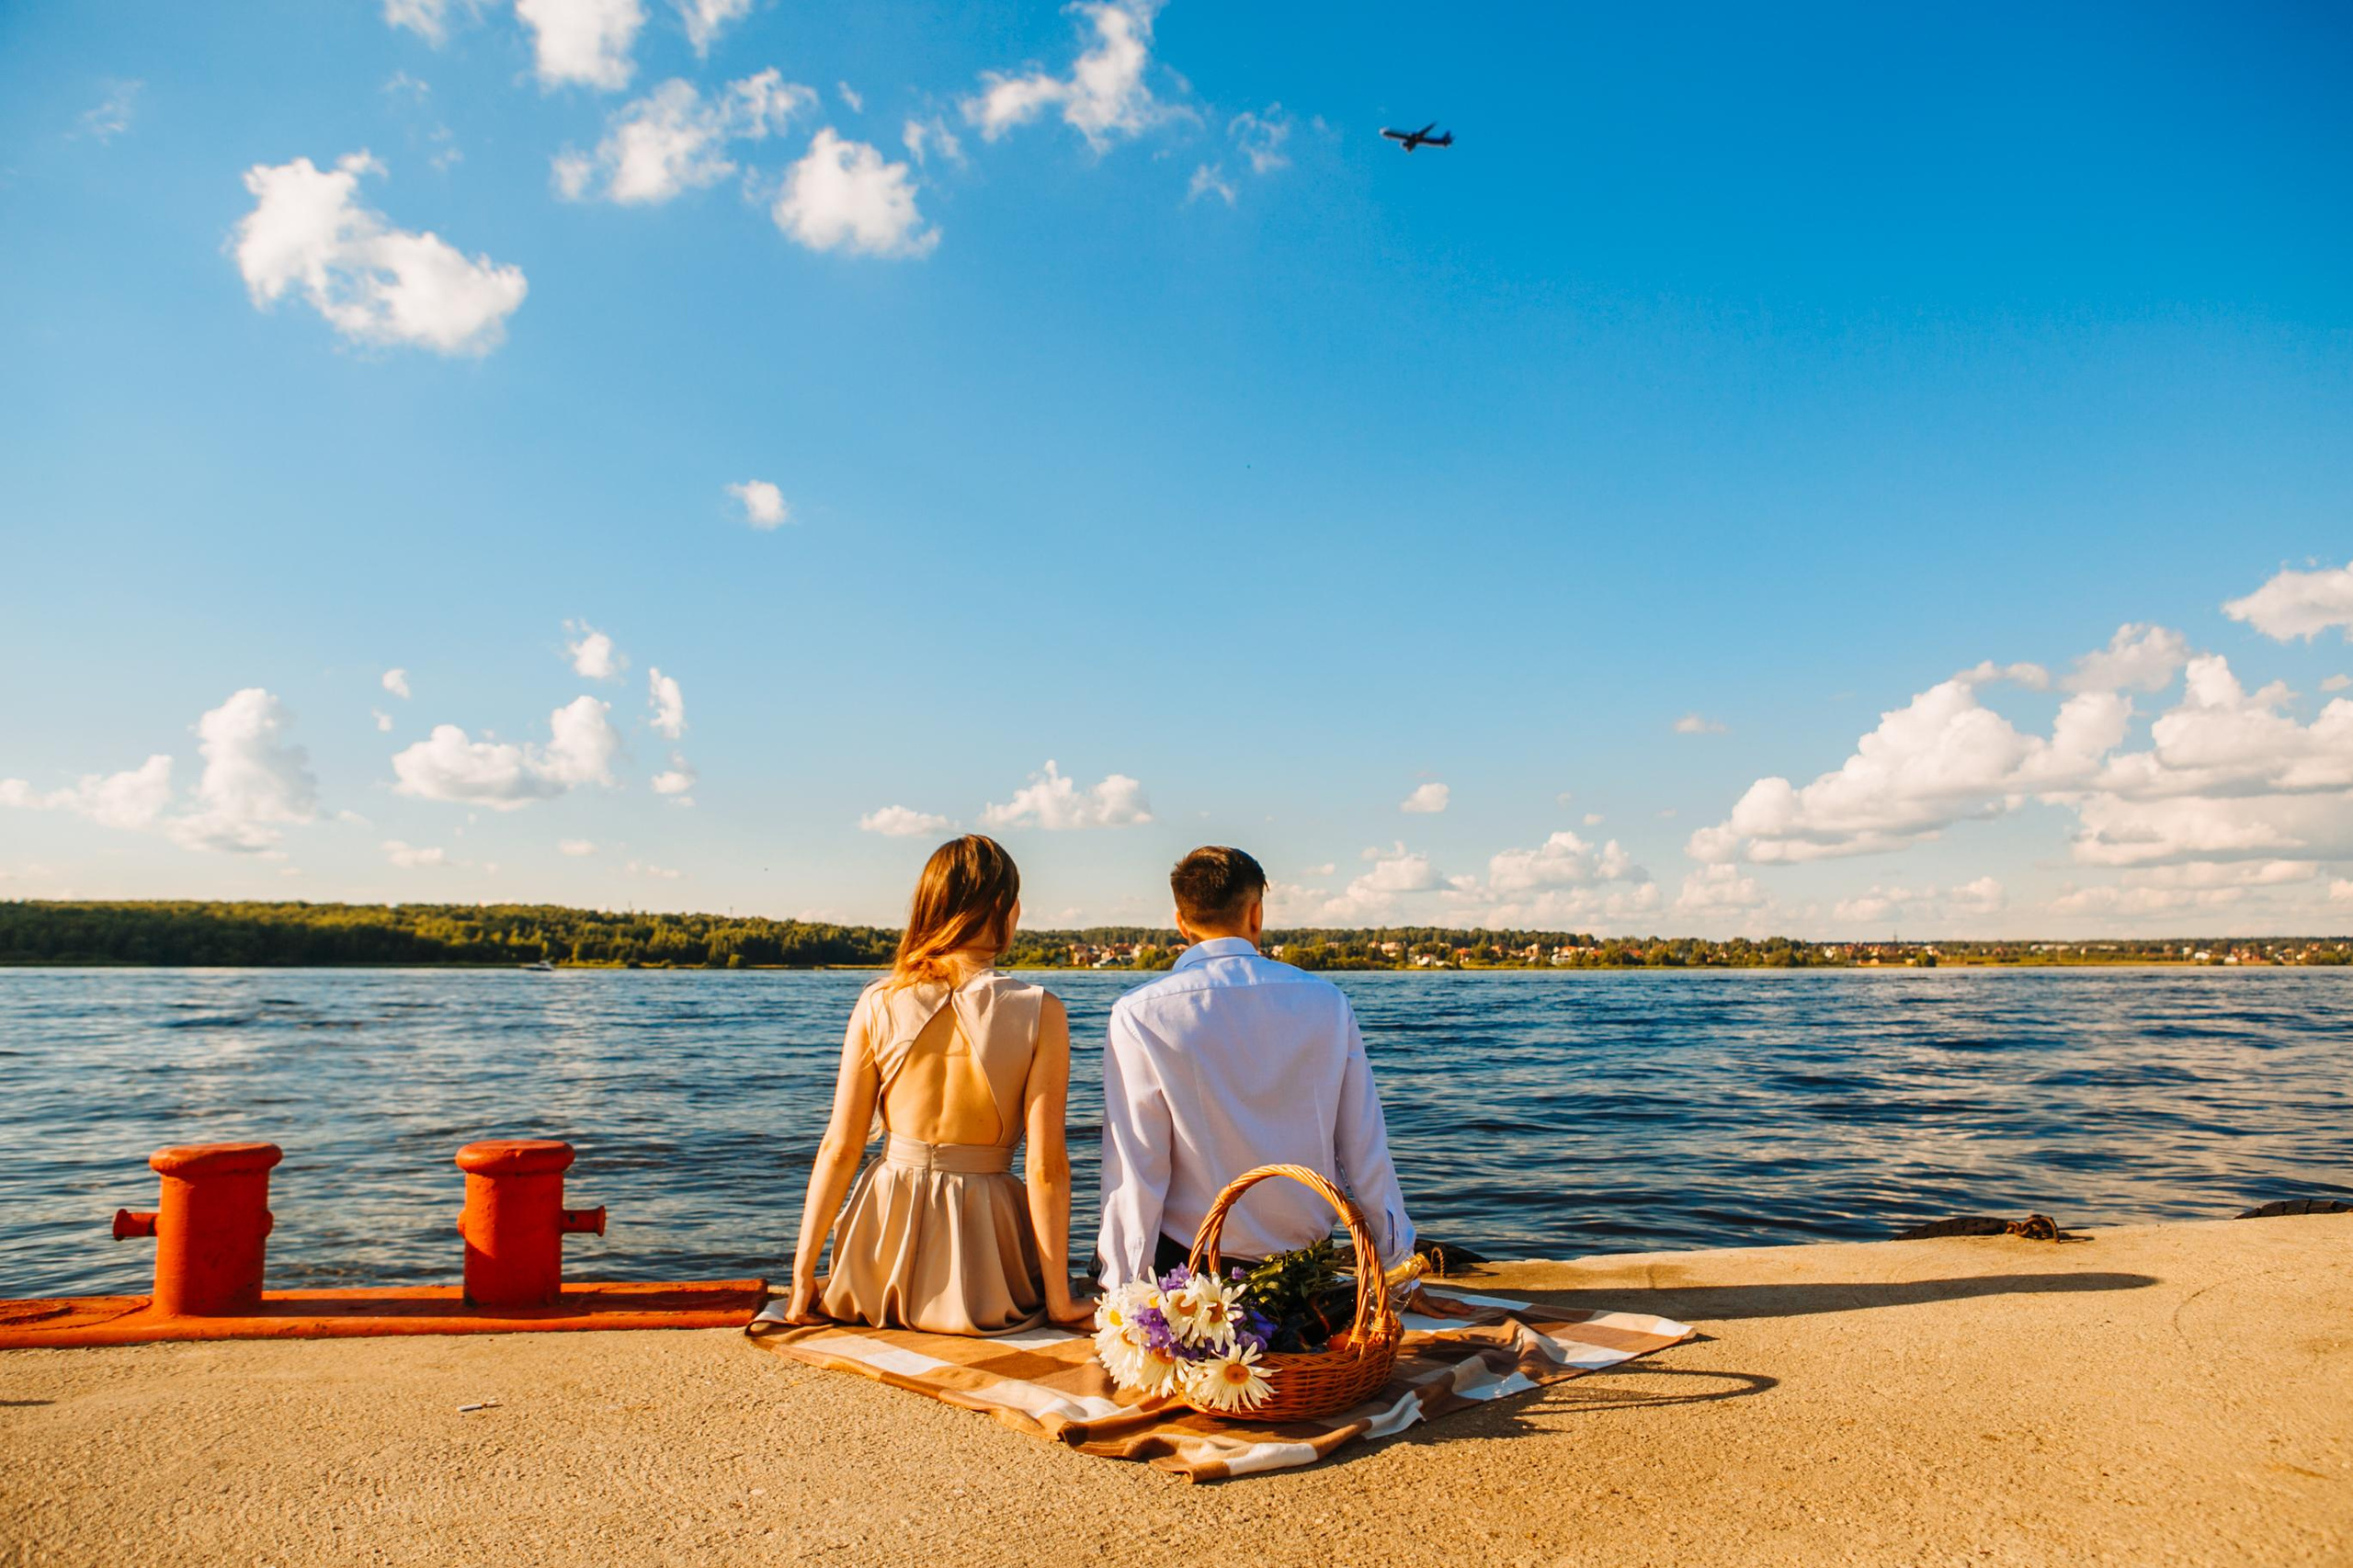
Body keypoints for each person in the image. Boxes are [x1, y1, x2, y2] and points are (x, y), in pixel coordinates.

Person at [771, 835, 1093, 1334]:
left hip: (877, 1251)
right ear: (1006, 910)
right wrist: (1059, 1300)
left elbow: (840, 1147)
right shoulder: (1040, 1010)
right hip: (985, 1254)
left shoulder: (878, 1002)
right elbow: (1046, 1166)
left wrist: (801, 1279)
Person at [1097, 845, 1417, 1287]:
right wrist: (1400, 1269)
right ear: (1256, 913)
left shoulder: (1141, 1013)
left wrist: (1122, 1291)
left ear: (1181, 921)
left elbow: (1136, 1168)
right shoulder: (1326, 1003)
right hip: (1306, 1274)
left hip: (1190, 1275)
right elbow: (1364, 1148)